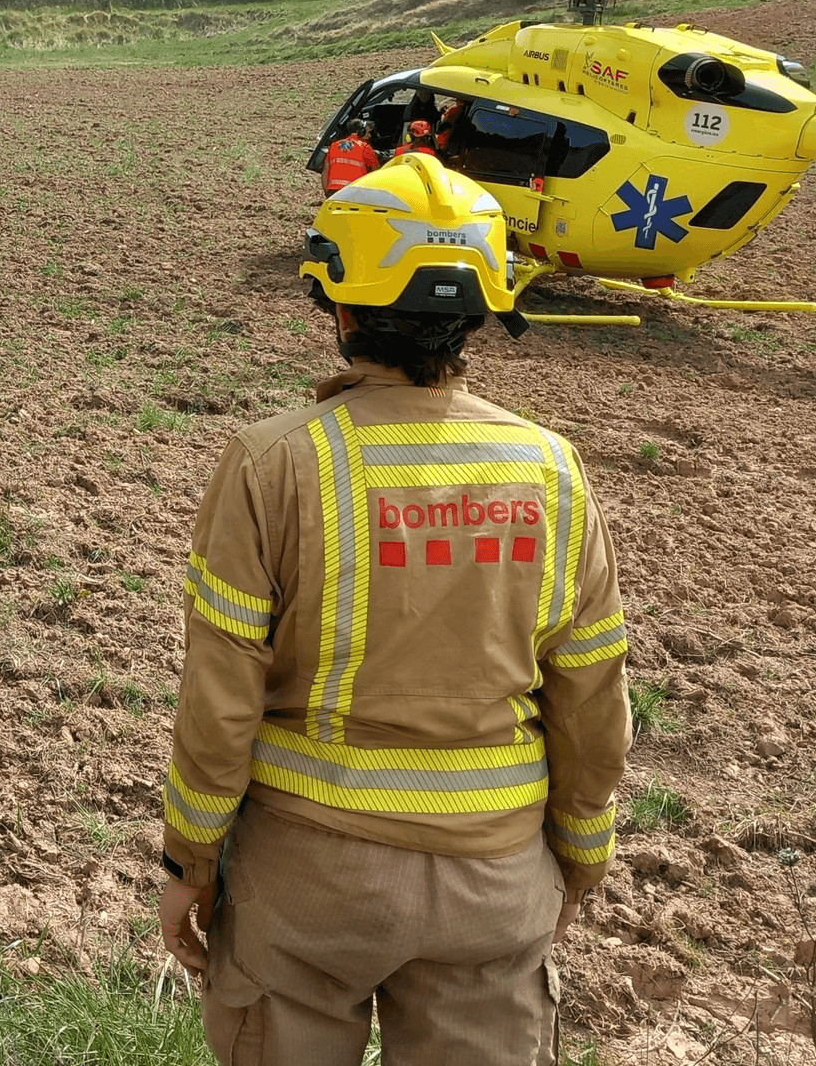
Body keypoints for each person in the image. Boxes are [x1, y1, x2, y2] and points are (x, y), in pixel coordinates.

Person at [157, 155, 630, 1066]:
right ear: (483, 309)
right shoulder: (551, 470)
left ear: (339, 306)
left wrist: (190, 861)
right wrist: (581, 853)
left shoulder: (273, 464)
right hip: (496, 884)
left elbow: (219, 702)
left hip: (307, 885)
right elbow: (592, 693)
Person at [320, 117, 382, 194]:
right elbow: (376, 171)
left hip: (334, 193)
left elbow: (325, 172)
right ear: (361, 132)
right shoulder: (365, 147)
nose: (370, 136)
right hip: (355, 192)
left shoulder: (334, 145)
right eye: (368, 132)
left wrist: (328, 193)